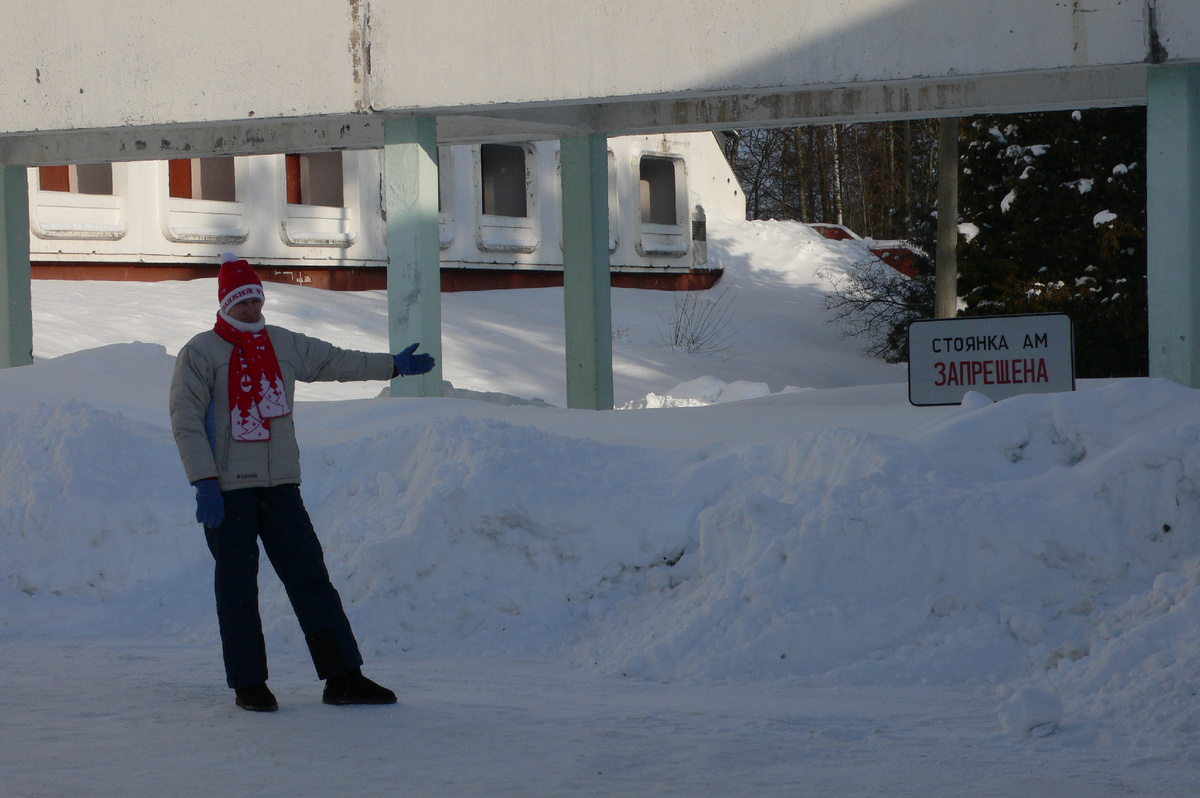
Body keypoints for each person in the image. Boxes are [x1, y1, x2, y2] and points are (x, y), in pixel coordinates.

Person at [169, 253, 434, 712]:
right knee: (237, 588)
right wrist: (204, 482)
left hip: (280, 486)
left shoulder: (282, 343)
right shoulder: (200, 353)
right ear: (224, 305)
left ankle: (343, 677)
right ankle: (249, 683)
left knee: (312, 580)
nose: (251, 310)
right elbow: (186, 421)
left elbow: (335, 360)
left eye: (255, 300)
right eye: (241, 302)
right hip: (228, 491)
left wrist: (392, 365)